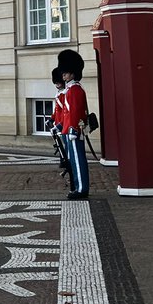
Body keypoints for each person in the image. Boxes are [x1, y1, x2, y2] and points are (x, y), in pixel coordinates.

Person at [58, 49, 89, 200]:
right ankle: (77, 186)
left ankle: (82, 188)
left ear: (72, 73)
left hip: (73, 131)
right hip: (68, 130)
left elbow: (76, 112)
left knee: (78, 160)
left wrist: (73, 129)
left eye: (66, 72)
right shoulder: (70, 90)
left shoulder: (75, 90)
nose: (63, 75)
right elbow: (67, 113)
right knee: (73, 161)